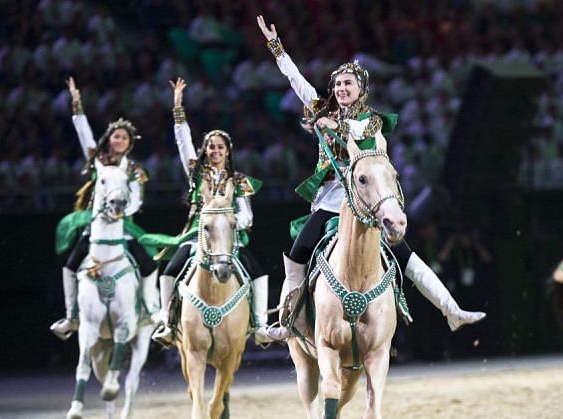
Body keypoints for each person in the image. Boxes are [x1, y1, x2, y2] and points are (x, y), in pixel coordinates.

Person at [256, 15, 485, 342]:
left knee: (406, 256)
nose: (341, 88)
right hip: (330, 201)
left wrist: (331, 126)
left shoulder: (371, 121)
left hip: (364, 202)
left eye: (348, 84)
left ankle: (451, 309)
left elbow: (357, 133)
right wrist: (275, 46)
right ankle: (286, 322)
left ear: (361, 89)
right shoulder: (324, 110)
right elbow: (296, 80)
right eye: (337, 84)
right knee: (296, 255)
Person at [149, 77, 272, 346]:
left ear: (228, 152)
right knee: (170, 269)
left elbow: (247, 216)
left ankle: (261, 325)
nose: (215, 150)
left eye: (220, 147)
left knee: (258, 272)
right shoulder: (197, 175)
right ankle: (167, 321)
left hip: (229, 240)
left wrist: (230, 222)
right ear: (204, 151)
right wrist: (178, 108)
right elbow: (183, 143)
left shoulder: (239, 180)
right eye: (210, 147)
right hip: (197, 236)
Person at [50, 77, 159, 340]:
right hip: (95, 225)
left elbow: (137, 201)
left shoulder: (134, 170)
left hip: (124, 226)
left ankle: (150, 310)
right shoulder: (97, 161)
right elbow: (84, 134)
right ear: (109, 139)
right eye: (116, 136)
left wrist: (121, 211)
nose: (119, 140)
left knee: (148, 264)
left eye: (124, 137)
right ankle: (72, 316)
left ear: (129, 143)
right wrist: (77, 105)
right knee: (70, 264)